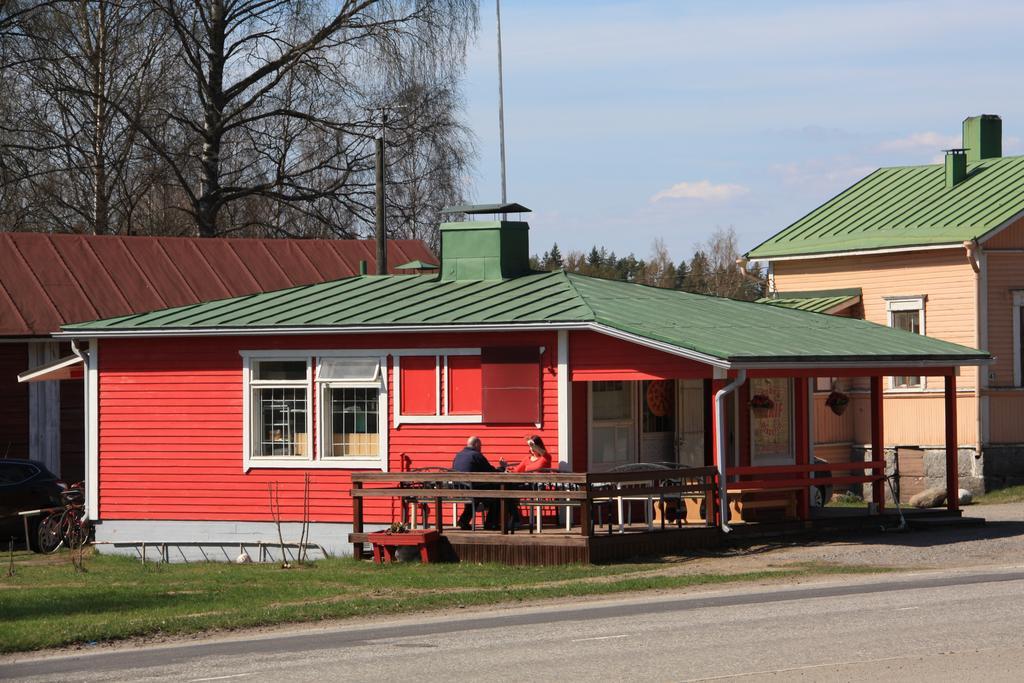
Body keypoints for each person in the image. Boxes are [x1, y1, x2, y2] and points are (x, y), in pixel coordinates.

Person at [451, 436, 506, 530]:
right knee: (498, 494)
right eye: (480, 446)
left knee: (475, 497)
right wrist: (502, 468)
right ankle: (491, 524)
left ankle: (463, 521)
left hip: (459, 489)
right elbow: (490, 471)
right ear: (476, 444)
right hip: (472, 489)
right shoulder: (476, 455)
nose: (481, 448)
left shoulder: (458, 455)